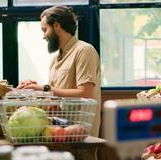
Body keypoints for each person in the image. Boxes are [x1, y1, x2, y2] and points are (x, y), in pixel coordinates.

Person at [18, 5, 101, 137]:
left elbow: (85, 93)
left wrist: (44, 88)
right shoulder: (55, 60)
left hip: (81, 133)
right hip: (60, 130)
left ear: (57, 26)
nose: (43, 36)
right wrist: (36, 88)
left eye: (45, 30)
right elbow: (56, 94)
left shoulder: (84, 51)